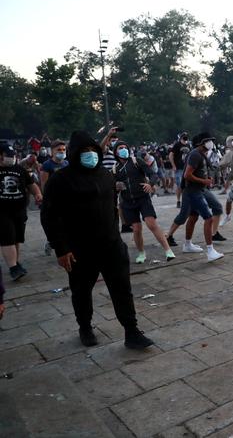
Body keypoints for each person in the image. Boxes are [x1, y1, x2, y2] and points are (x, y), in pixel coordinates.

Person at [40, 130, 153, 349]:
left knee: (122, 289)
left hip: (110, 245)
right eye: (85, 152)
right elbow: (49, 216)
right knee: (81, 291)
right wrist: (61, 249)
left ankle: (131, 331)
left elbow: (112, 207)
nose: (90, 155)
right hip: (79, 248)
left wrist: (118, 237)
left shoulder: (105, 175)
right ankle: (85, 327)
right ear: (74, 154)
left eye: (93, 150)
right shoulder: (60, 180)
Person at [112, 141, 175, 264]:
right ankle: (141, 253)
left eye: (125, 147)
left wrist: (150, 184)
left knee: (151, 224)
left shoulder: (136, 161)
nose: (123, 149)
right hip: (128, 202)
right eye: (120, 148)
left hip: (143, 198)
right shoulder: (115, 168)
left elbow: (153, 174)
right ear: (115, 151)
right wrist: (115, 187)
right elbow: (112, 186)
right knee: (136, 229)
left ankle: (168, 250)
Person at [0, 144, 42, 280]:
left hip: (19, 210)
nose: (11, 158)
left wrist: (37, 193)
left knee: (16, 238)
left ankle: (15, 263)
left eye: (12, 156)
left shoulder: (19, 169)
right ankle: (13, 268)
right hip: (2, 211)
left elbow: (31, 184)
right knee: (7, 237)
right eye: (8, 156)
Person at [181, 133, 224, 262]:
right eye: (208, 140)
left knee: (193, 217)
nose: (211, 143)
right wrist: (203, 181)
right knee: (208, 218)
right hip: (193, 191)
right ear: (201, 143)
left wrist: (207, 178)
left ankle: (187, 245)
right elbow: (187, 175)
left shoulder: (202, 154)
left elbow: (204, 169)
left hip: (197, 189)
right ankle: (210, 251)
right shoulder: (195, 154)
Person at [40, 140, 69, 256]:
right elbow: (44, 185)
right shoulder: (47, 165)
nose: (61, 152)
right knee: (55, 225)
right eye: (59, 150)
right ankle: (51, 242)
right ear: (52, 151)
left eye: (63, 150)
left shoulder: (67, 163)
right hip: (53, 200)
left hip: (66, 199)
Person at [170, 132, 191, 208]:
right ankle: (178, 201)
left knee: (187, 185)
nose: (185, 138)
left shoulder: (188, 145)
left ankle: (186, 200)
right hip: (179, 168)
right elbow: (171, 155)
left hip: (187, 167)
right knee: (179, 185)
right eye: (184, 137)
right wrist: (173, 165)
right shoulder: (177, 145)